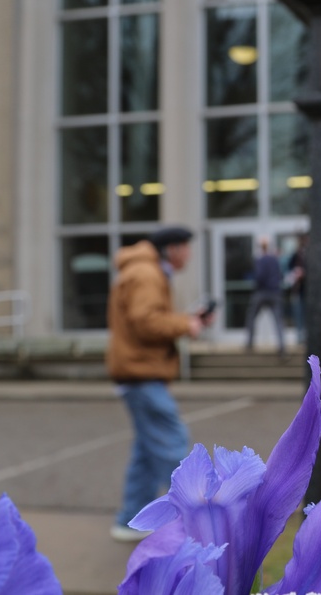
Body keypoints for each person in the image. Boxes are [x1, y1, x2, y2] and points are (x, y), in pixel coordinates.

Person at [106, 226, 212, 541]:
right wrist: (185, 324)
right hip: (141, 375)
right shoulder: (147, 273)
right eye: (186, 248)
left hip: (138, 373)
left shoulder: (145, 270)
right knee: (172, 444)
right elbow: (146, 321)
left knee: (146, 454)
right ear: (172, 249)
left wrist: (187, 320)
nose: (190, 255)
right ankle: (199, 524)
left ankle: (129, 521)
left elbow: (145, 317)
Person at [244, 236, 286, 354]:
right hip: (275, 293)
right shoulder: (275, 259)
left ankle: (249, 344)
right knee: (278, 321)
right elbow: (280, 275)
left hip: (261, 293)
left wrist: (255, 283)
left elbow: (259, 276)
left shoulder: (260, 260)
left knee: (251, 317)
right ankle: (282, 346)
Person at [286, 233, 307, 343]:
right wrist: (295, 275)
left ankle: (306, 337)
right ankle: (299, 337)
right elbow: (288, 271)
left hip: (307, 293)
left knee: (306, 316)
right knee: (298, 315)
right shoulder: (295, 256)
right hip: (298, 292)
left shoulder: (309, 256)